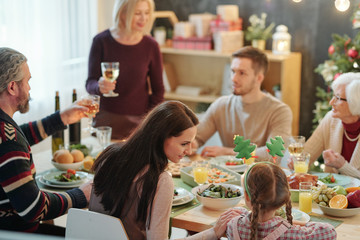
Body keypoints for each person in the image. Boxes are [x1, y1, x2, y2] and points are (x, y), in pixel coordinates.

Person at [89, 101, 242, 239]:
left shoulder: (110, 154)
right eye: (184, 144)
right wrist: (213, 232)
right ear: (162, 137)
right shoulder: (160, 180)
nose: (189, 151)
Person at [0, 47, 92, 235]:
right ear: (12, 87)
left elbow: (19, 137)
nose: (29, 88)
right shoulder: (9, 141)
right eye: (27, 81)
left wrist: (62, 118)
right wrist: (80, 196)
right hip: (15, 234)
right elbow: (33, 208)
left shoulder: (6, 131)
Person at [192, 46, 292, 162]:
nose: (234, 78)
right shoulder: (221, 105)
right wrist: (192, 144)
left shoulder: (280, 111)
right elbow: (197, 137)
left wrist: (227, 152)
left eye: (242, 73)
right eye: (233, 71)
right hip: (225, 175)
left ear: (259, 78)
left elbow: (273, 153)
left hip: (263, 178)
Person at [86, 0, 164, 140]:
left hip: (139, 124)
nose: (144, 18)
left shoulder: (151, 46)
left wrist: (148, 123)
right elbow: (90, 83)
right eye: (138, 13)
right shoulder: (101, 41)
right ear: (122, 13)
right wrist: (99, 86)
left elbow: (158, 91)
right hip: (105, 121)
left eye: (146, 13)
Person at [226, 162, 336, 240]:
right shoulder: (292, 233)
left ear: (247, 196)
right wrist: (296, 223)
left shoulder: (233, 226)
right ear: (284, 199)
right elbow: (330, 231)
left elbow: (242, 214)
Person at [289, 72, 360, 178]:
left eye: (338, 98)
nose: (331, 102)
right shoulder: (331, 119)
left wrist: (343, 166)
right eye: (333, 96)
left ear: (355, 102)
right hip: (331, 193)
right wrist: (297, 162)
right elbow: (308, 154)